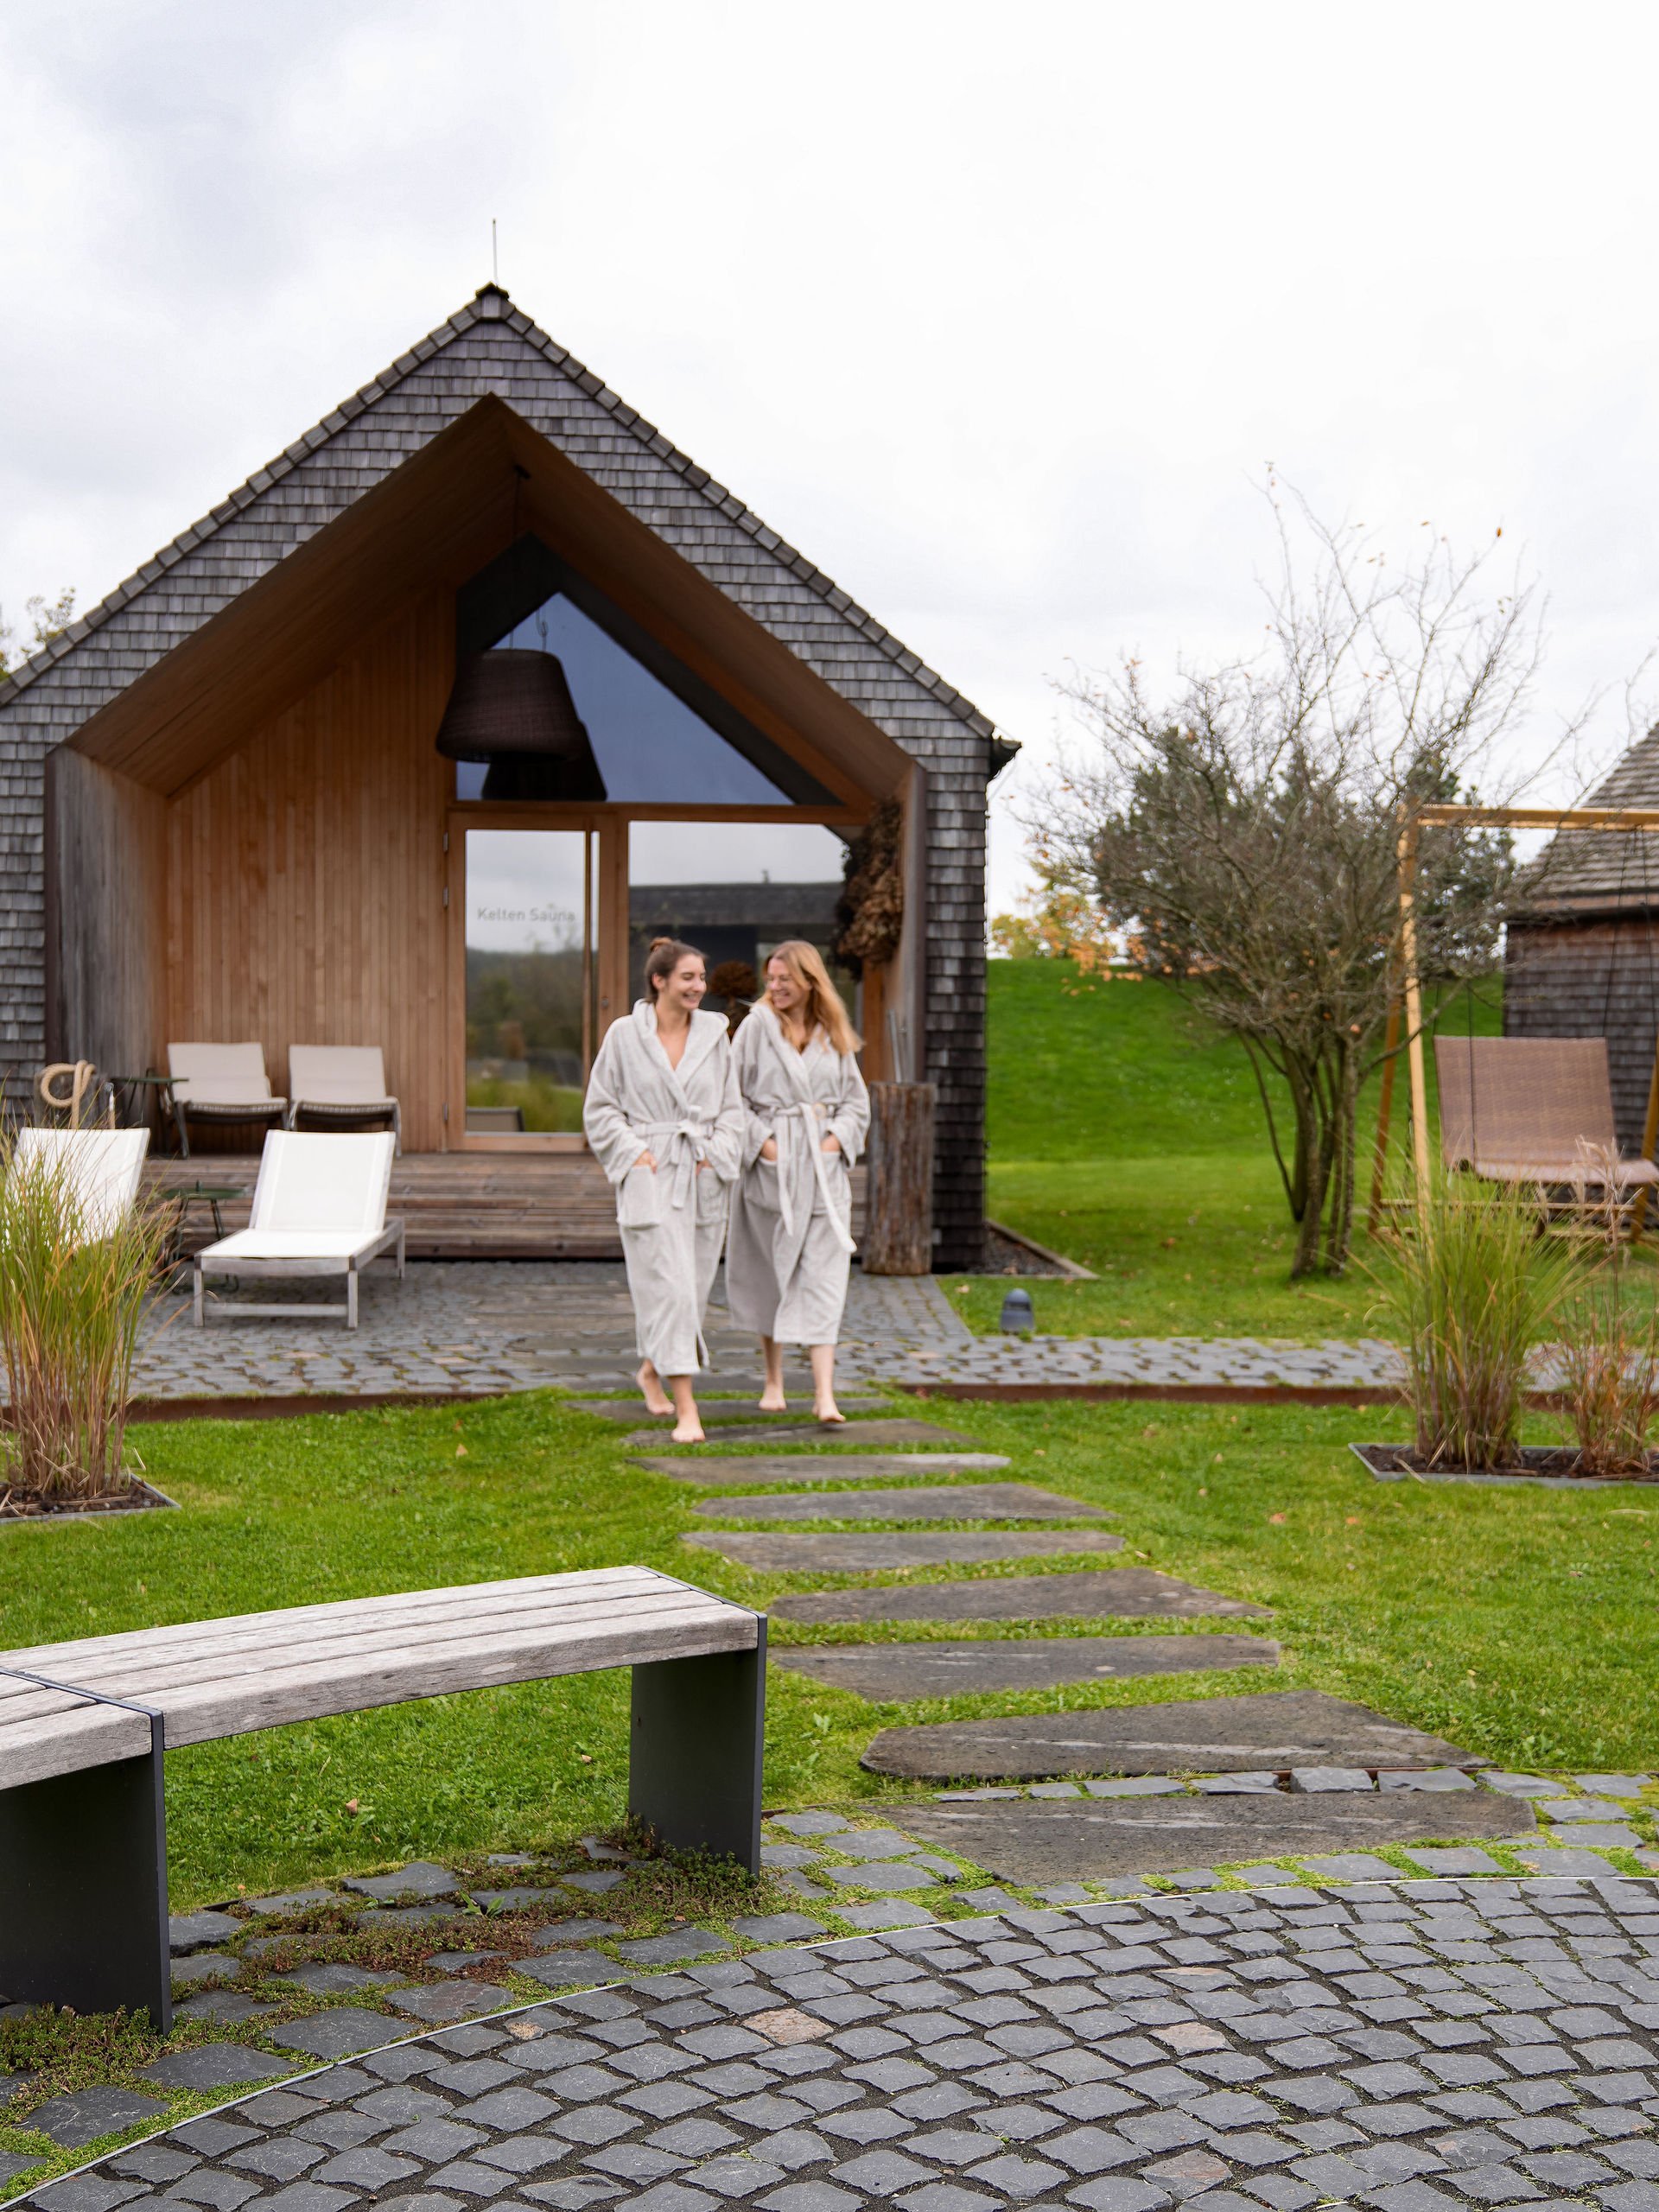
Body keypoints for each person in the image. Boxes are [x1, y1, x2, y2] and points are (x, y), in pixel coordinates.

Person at [583, 938, 744, 1442]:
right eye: (689, 978)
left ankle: (651, 1371)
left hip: (700, 1176)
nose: (700, 987)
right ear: (660, 981)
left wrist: (714, 1155)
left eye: (702, 978)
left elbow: (732, 1110)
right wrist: (634, 1153)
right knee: (668, 1288)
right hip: (650, 1175)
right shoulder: (625, 1036)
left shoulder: (716, 1037)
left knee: (689, 1294)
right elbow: (601, 1107)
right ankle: (687, 1408)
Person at [727, 938, 870, 1423]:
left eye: (785, 979)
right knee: (772, 1272)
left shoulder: (833, 1032)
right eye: (771, 978)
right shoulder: (754, 1029)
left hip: (824, 1176)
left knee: (826, 1278)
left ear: (810, 981)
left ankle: (825, 1393)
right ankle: (773, 1379)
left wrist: (831, 1145)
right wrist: (767, 1147)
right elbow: (732, 1099)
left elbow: (856, 1103)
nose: (776, 987)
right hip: (775, 1170)